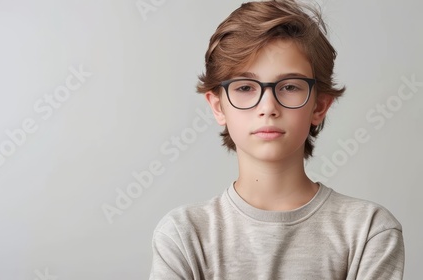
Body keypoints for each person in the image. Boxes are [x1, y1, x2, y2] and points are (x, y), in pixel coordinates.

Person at [148, 0, 405, 279]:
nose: (267, 107)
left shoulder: (369, 230)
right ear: (218, 106)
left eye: (290, 87)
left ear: (319, 106)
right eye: (245, 87)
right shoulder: (183, 235)